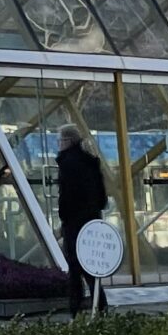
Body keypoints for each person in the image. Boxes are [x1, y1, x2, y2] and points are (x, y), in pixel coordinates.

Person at [56, 127, 109, 316]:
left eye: (59, 140)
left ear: (68, 141)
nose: (58, 144)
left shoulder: (67, 164)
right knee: (91, 268)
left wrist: (64, 218)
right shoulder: (91, 162)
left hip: (74, 222)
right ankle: (100, 306)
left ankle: (75, 309)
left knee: (75, 269)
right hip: (92, 221)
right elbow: (102, 198)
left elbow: (66, 196)